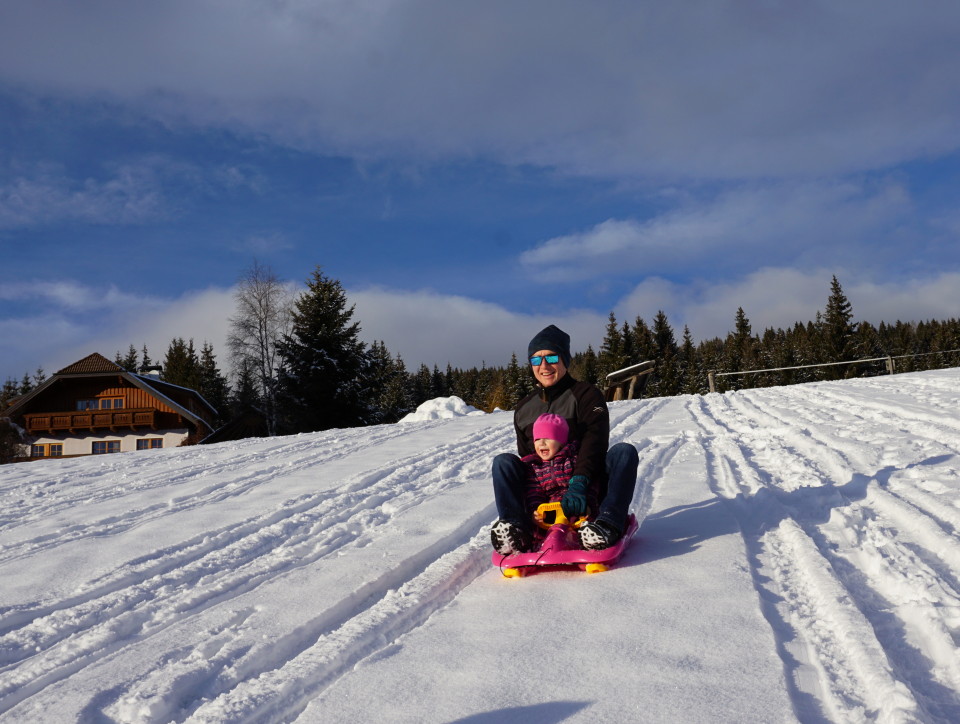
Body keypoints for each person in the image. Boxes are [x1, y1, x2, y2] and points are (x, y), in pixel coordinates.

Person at [490, 324, 640, 555]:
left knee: (624, 452)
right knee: (503, 462)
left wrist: (579, 482)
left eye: (551, 356)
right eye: (536, 359)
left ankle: (608, 524)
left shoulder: (586, 395)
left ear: (565, 360)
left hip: (589, 487)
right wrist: (535, 506)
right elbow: (530, 462)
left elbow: (595, 442)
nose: (544, 366)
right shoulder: (524, 408)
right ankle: (516, 529)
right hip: (547, 494)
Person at [520, 413, 597, 542]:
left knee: (584, 520)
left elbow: (591, 484)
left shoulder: (574, 459)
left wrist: (588, 505)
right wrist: (536, 510)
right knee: (535, 528)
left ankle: (589, 536)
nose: (542, 443)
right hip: (549, 513)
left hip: (574, 509)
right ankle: (532, 542)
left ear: (561, 441)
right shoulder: (534, 465)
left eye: (548, 438)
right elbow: (534, 492)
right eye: (537, 439)